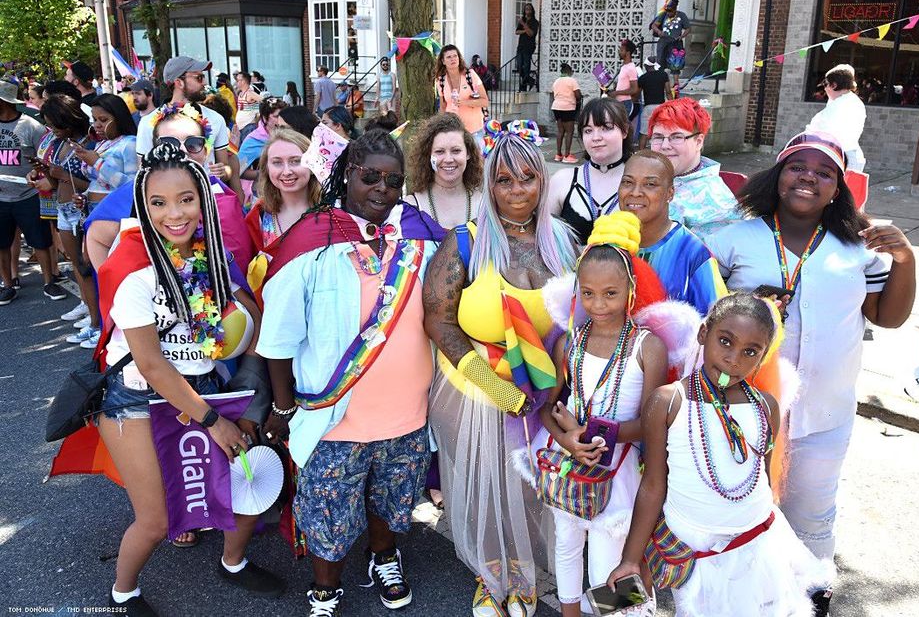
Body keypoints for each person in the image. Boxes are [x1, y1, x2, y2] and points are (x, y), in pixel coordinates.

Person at [707, 132, 916, 617]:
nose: (809, 177)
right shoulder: (734, 236)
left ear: (838, 188)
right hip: (741, 413)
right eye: (798, 166)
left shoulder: (856, 247)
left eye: (824, 173)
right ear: (778, 175)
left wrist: (904, 259)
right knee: (740, 513)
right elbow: (706, 315)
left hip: (826, 411)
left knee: (812, 516)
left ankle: (811, 597)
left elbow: (889, 316)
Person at [257, 130, 444, 617]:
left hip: (407, 411)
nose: (382, 188)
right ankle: (325, 586)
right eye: (370, 177)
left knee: (392, 500)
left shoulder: (420, 233)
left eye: (393, 180)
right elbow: (277, 338)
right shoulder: (310, 240)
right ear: (346, 175)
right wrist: (281, 405)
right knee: (328, 510)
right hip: (335, 414)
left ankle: (384, 557)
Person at [93, 142, 283, 616]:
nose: (174, 214)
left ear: (203, 200)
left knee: (245, 482)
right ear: (143, 207)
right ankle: (123, 593)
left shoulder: (213, 259)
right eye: (158, 203)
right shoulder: (133, 270)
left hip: (204, 388)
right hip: (137, 397)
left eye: (185, 199)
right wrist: (213, 420)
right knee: (156, 520)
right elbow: (153, 365)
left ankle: (233, 562)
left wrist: (245, 330)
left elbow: (252, 317)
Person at [423, 124, 578, 617]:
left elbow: (585, 318)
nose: (517, 191)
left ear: (543, 181)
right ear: (488, 185)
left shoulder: (566, 243)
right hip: (474, 391)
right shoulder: (465, 242)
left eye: (528, 178)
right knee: (484, 486)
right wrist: (491, 382)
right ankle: (492, 578)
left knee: (534, 490)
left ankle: (526, 577)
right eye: (505, 180)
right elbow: (438, 319)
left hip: (543, 394)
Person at [608, 292, 831, 616]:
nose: (733, 359)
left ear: (763, 356)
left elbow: (763, 480)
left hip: (757, 543)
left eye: (750, 352)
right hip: (694, 551)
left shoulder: (765, 407)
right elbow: (653, 485)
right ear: (704, 334)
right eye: (725, 341)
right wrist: (630, 559)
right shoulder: (668, 402)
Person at [536, 213, 669, 616]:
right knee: (567, 541)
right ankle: (570, 612)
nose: (598, 304)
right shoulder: (570, 342)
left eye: (610, 293)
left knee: (609, 564)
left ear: (631, 289)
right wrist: (566, 439)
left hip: (620, 474)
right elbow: (547, 407)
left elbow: (651, 423)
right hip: (570, 465)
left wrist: (594, 435)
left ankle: (620, 612)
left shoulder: (649, 348)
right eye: (588, 293)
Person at [86, 102, 251, 282]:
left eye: (193, 143)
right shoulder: (138, 191)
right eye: (168, 143)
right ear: (154, 149)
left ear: (205, 151)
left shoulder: (221, 193)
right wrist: (117, 288)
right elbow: (95, 239)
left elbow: (240, 262)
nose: (180, 151)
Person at [620, 150, 726, 316]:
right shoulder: (608, 241)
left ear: (670, 193)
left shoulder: (694, 254)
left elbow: (716, 323)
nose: (635, 192)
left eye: (650, 184)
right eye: (627, 182)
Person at [34, 95, 99, 345]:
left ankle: (97, 323)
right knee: (77, 268)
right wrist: (46, 175)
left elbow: (97, 183)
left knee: (88, 268)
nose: (52, 130)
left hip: (81, 209)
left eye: (55, 125)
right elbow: (56, 179)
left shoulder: (89, 144)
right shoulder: (59, 142)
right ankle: (93, 320)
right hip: (62, 209)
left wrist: (62, 175)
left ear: (69, 121)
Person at [0, 80, 65, 305]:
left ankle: (49, 282)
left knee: (40, 240)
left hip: (29, 194)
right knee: (2, 243)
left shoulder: (29, 125)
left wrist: (44, 177)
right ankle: (8, 285)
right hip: (1, 198)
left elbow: (47, 155)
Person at [136, 57, 238, 200]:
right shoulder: (148, 123)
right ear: (179, 82)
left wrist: (223, 172)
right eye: (199, 77)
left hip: (209, 200)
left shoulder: (216, 119)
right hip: (170, 203)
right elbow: (142, 171)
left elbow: (226, 169)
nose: (205, 83)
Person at [647, 97, 740, 238]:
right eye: (658, 137)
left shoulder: (717, 204)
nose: (665, 146)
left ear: (698, 142)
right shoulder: (647, 177)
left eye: (677, 137)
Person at [244, 129, 318, 304]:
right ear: (267, 169)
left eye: (295, 161)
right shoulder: (259, 216)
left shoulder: (332, 215)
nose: (287, 171)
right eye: (277, 163)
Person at [547, 98, 632, 243]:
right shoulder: (563, 180)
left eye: (606, 128)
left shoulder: (640, 183)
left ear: (624, 131)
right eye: (588, 130)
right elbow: (543, 238)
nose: (596, 137)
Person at [406, 112, 484, 229]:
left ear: (468, 153)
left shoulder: (485, 206)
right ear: (428, 155)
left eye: (456, 151)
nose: (448, 159)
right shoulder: (411, 207)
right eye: (440, 151)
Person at [71, 94, 139, 206]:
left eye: (103, 120)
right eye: (94, 119)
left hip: (115, 213)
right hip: (93, 210)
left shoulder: (130, 143)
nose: (96, 125)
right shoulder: (101, 144)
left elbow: (132, 186)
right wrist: (84, 197)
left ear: (118, 118)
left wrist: (97, 163)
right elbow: (97, 183)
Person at [806, 64, 866, 173]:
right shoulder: (850, 100)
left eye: (826, 84)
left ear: (833, 85)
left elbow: (818, 128)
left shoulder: (841, 104)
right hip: (846, 156)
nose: (825, 88)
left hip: (841, 157)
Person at [434, 44, 489, 136]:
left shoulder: (470, 75)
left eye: (455, 56)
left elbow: (485, 102)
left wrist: (464, 102)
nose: (453, 59)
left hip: (474, 131)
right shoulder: (440, 81)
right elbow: (443, 106)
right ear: (443, 61)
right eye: (449, 57)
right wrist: (441, 127)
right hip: (452, 130)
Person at [238, 96, 286, 184]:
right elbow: (239, 169)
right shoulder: (253, 140)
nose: (281, 120)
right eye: (276, 116)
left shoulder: (290, 132)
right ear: (264, 118)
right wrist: (266, 175)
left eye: (283, 115)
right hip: (264, 192)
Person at [650, 0, 690, 89]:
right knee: (660, 62)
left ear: (675, 9)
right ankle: (661, 83)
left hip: (675, 42)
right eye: (667, 11)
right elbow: (654, 25)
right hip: (663, 42)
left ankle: (676, 83)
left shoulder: (681, 15)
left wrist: (682, 36)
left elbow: (688, 28)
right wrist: (659, 32)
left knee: (676, 63)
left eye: (671, 11)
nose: (669, 13)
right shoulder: (663, 14)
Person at [551, 63, 583, 164]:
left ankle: (558, 154)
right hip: (568, 108)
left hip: (556, 107)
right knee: (569, 131)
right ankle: (567, 155)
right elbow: (578, 95)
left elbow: (553, 94)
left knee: (560, 131)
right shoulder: (571, 80)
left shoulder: (556, 81)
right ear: (569, 71)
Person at [637, 57, 672, 150]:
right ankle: (660, 152)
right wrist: (672, 104)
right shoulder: (663, 75)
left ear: (645, 66)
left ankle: (641, 154)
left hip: (648, 107)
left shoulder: (643, 78)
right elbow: (668, 91)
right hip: (661, 107)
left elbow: (637, 94)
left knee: (644, 133)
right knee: (661, 131)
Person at [609, 39, 640, 125]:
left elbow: (634, 89)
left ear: (628, 53)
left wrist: (616, 93)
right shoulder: (624, 67)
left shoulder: (631, 68)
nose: (619, 52)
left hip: (625, 103)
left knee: (622, 128)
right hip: (619, 103)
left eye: (621, 50)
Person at [516, 3, 540, 91]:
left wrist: (524, 25)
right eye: (526, 9)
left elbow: (531, 34)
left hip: (529, 47)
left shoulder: (535, 22)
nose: (527, 11)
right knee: (519, 66)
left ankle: (523, 86)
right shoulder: (523, 20)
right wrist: (525, 30)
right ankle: (530, 80)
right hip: (521, 46)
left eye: (529, 9)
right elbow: (517, 32)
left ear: (532, 10)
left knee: (526, 66)